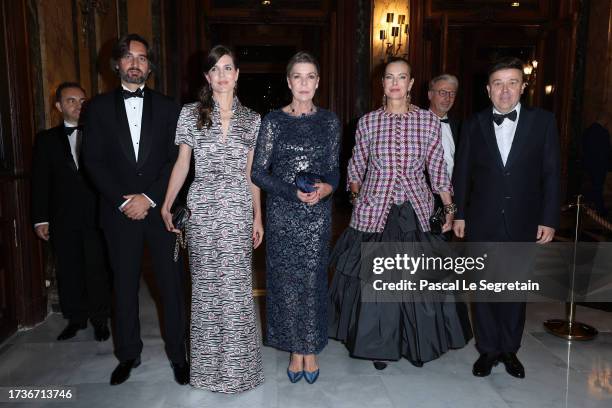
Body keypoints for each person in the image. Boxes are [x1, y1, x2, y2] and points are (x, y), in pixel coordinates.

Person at [328, 57, 471, 370]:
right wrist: (356, 195)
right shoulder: (368, 122)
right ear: (383, 84)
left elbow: (437, 168)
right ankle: (380, 344)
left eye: (401, 77)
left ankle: (417, 342)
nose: (395, 83)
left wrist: (448, 206)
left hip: (416, 209)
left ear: (410, 83)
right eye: (389, 77)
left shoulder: (427, 121)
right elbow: (356, 164)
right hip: (375, 210)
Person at [81, 33, 188, 386]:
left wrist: (151, 198)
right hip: (118, 213)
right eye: (128, 57)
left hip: (161, 212)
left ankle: (178, 355)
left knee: (171, 287)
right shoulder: (95, 108)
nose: (135, 63)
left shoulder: (172, 108)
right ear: (116, 64)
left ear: (149, 65)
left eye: (141, 57)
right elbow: (93, 162)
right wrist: (124, 200)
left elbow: (178, 161)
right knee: (124, 286)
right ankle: (128, 354)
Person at [161, 45, 264, 393]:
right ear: (207, 77)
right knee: (205, 289)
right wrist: (167, 203)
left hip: (237, 206)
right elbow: (182, 164)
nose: (222, 75)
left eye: (228, 68)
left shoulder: (252, 119)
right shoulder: (190, 114)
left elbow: (252, 174)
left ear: (237, 74)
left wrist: (257, 217)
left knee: (236, 289)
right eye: (215, 69)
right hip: (202, 206)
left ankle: (240, 372)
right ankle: (206, 372)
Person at [453, 57, 560, 379]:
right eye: (498, 83)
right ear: (488, 90)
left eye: (512, 82)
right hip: (482, 218)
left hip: (524, 219)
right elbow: (462, 175)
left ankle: (509, 349)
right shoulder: (473, 124)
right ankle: (488, 350)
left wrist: (549, 218)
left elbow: (552, 173)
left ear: (523, 87)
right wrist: (459, 214)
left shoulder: (543, 122)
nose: (505, 90)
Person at [251, 51, 340, 384]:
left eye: (311, 76)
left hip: (317, 215)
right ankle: (294, 349)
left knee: (313, 282)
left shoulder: (329, 120)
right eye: (298, 77)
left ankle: (311, 348)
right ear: (288, 82)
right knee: (286, 283)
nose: (304, 83)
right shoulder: (273, 120)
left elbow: (334, 170)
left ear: (318, 81)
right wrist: (291, 191)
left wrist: (327, 189)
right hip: (283, 214)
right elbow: (259, 173)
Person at [31, 82, 111, 342]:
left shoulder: (99, 134)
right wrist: (40, 219)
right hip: (62, 217)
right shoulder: (45, 140)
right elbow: (40, 182)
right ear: (58, 106)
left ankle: (100, 319)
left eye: (81, 100)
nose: (78, 105)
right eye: (71, 100)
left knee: (97, 269)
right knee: (68, 269)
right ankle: (76, 318)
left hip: (97, 215)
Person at [427, 74, 460, 178]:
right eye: (443, 92)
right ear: (430, 95)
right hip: (425, 192)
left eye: (452, 94)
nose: (448, 98)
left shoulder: (461, 127)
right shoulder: (415, 125)